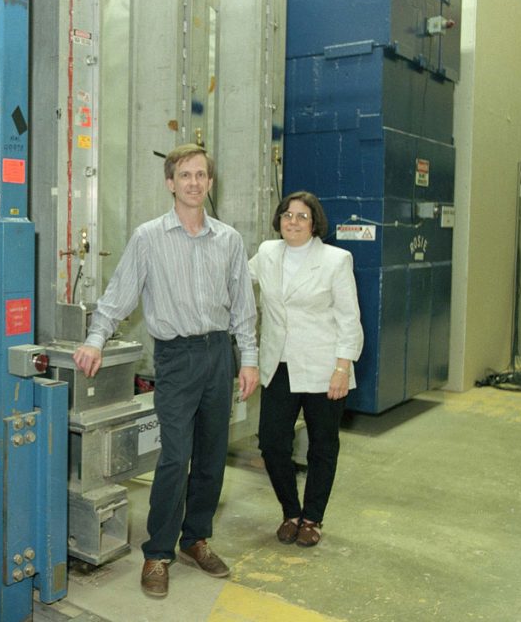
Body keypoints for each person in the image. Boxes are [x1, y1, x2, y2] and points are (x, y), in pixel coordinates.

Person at [72, 143, 259, 599]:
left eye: (201, 174)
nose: (194, 182)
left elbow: (242, 307)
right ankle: (158, 553)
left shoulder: (229, 240)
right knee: (175, 456)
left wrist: (249, 358)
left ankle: (196, 537)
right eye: (185, 175)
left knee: (214, 455)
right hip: (175, 358)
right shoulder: (148, 237)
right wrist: (96, 339)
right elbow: (119, 296)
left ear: (209, 183)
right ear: (170, 183)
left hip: (220, 354)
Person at [248, 191, 364, 549]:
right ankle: (290, 511)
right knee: (271, 443)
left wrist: (343, 368)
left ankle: (312, 518)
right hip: (279, 364)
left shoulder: (335, 260)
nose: (292, 221)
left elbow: (349, 318)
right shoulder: (267, 253)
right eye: (287, 214)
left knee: (322, 446)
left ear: (315, 223)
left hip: (324, 366)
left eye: (301, 216)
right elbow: (235, 281)